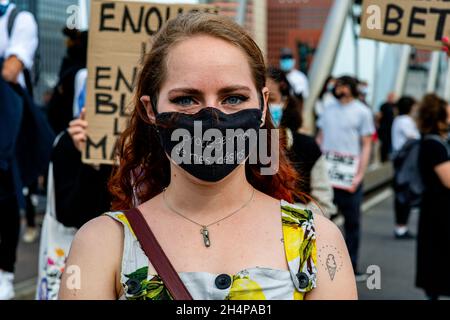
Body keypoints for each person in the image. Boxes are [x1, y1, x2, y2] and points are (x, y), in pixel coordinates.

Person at [59, 13, 356, 300]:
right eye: (186, 99)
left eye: (234, 98)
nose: (211, 117)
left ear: (263, 105)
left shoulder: (318, 241)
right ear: (151, 110)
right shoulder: (102, 245)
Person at [316, 75, 375, 280]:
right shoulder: (328, 109)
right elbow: (320, 137)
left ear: (350, 88)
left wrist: (359, 175)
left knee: (352, 223)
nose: (337, 88)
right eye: (336, 85)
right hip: (327, 175)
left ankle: (351, 265)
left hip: (349, 176)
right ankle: (320, 264)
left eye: (341, 85)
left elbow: (367, 144)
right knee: (321, 221)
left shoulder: (362, 111)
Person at [0, 0, 39, 300]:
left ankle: (6, 272)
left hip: (5, 120)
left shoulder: (17, 19)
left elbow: (11, 70)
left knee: (6, 197)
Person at [266, 67, 336, 218]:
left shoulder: (307, 147)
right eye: (257, 100)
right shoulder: (238, 149)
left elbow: (324, 205)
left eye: (270, 100)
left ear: (284, 102)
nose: (263, 109)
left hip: (296, 236)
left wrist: (279, 216)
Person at [416, 94, 450, 300]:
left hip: (435, 208)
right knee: (440, 253)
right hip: (440, 210)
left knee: (435, 253)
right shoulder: (434, 146)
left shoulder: (434, 143)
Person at [391, 96, 420, 239]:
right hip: (406, 161)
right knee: (405, 192)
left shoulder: (398, 120)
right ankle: (401, 227)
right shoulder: (406, 121)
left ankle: (400, 226)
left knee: (401, 191)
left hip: (399, 158)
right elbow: (414, 137)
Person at [376, 92, 396, 162]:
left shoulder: (395, 106)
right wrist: (378, 124)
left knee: (390, 144)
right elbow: (379, 116)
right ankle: (382, 159)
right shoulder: (384, 105)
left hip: (392, 129)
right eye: (390, 97)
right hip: (384, 128)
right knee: (383, 144)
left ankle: (387, 158)